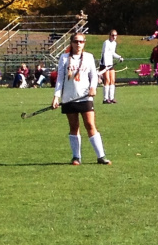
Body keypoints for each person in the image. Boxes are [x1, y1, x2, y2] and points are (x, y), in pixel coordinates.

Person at [52, 33, 109, 166]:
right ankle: (76, 157)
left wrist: (93, 87)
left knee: (90, 125)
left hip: (85, 97)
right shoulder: (64, 58)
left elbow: (94, 76)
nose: (78, 44)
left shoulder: (88, 57)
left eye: (81, 42)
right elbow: (60, 78)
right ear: (71, 43)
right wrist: (56, 97)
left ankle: (101, 156)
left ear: (84, 43)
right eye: (76, 41)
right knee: (74, 126)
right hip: (69, 98)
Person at [100, 30, 124, 103]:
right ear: (109, 35)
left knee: (112, 80)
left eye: (115, 35)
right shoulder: (106, 43)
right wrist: (106, 65)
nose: (114, 37)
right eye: (112, 35)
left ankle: (111, 98)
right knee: (107, 80)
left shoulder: (114, 43)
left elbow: (112, 53)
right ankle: (105, 99)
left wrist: (119, 57)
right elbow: (104, 54)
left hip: (110, 63)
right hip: (104, 64)